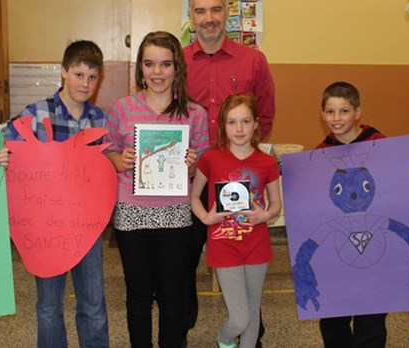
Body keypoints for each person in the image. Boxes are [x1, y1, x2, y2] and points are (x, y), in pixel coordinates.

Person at [0, 40, 110, 348]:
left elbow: (107, 170)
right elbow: (2, 148)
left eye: (92, 76)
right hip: (45, 228)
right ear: (63, 72)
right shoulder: (35, 115)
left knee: (93, 303)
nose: (84, 83)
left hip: (87, 227)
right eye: (78, 74)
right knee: (48, 306)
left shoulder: (100, 120)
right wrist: (2, 156)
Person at [104, 31, 209, 348]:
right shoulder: (123, 108)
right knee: (137, 293)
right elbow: (107, 149)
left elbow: (203, 163)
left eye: (165, 64)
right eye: (149, 64)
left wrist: (191, 165)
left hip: (176, 215)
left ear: (177, 67)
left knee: (172, 293)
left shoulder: (195, 114)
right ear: (141, 68)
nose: (157, 72)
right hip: (132, 215)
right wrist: (118, 160)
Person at [182, 0, 276, 345]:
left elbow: (264, 115)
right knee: (185, 260)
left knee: (248, 258)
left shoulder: (253, 60)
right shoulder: (177, 62)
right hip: (192, 178)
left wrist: (244, 160)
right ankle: (183, 328)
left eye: (216, 9)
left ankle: (250, 337)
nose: (209, 18)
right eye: (201, 11)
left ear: (228, 14)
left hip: (238, 180)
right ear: (191, 17)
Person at [190, 94, 281, 348]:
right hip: (224, 245)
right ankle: (223, 339)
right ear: (223, 126)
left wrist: (264, 214)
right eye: (232, 122)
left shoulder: (267, 162)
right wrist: (206, 218)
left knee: (251, 315)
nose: (239, 129)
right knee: (240, 318)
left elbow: (276, 204)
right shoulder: (210, 158)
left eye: (245, 121)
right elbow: (194, 196)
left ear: (255, 124)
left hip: (257, 246)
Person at [316, 81, 387, 347]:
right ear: (322, 114)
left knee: (371, 323)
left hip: (375, 248)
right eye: (330, 111)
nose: (336, 118)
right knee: (333, 322)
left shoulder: (380, 144)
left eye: (344, 111)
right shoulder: (319, 154)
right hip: (337, 251)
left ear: (358, 112)